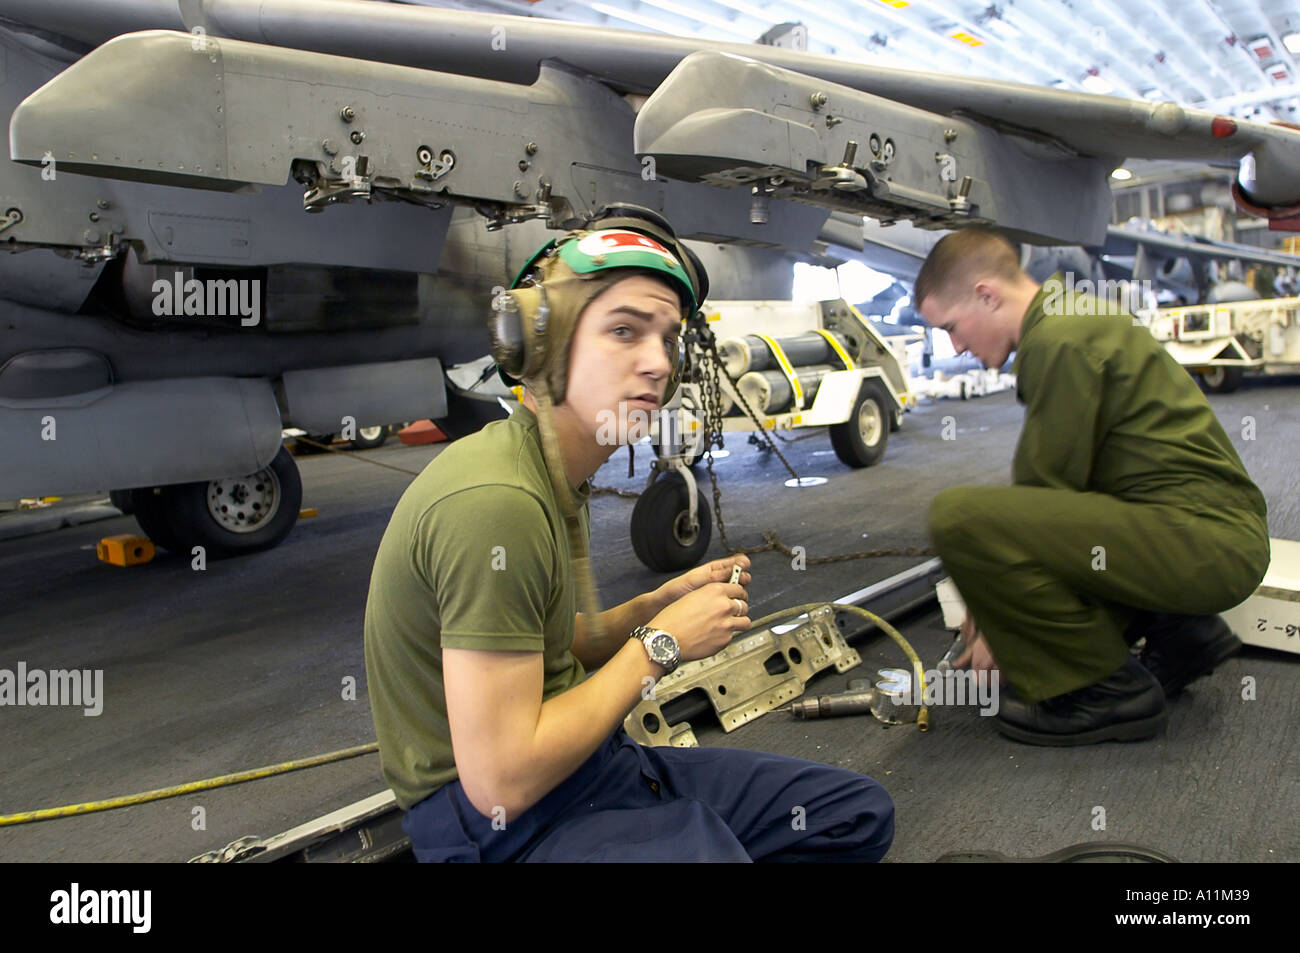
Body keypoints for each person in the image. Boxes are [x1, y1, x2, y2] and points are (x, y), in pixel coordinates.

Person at [363, 206, 894, 860]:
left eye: (666, 337)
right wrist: (661, 644)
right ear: (541, 345)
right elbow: (501, 776)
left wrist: (651, 607)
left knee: (852, 814)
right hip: (501, 822)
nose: (656, 364)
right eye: (623, 330)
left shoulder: (554, 472)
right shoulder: (496, 502)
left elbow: (549, 642)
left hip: (591, 765)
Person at [915, 227, 1269, 746]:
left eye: (951, 326)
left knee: (958, 517)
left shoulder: (1060, 340)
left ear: (986, 295)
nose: (957, 346)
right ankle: (1181, 632)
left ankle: (1108, 693)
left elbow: (1040, 502)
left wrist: (999, 630)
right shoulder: (1070, 316)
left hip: (1208, 544)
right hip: (1209, 535)